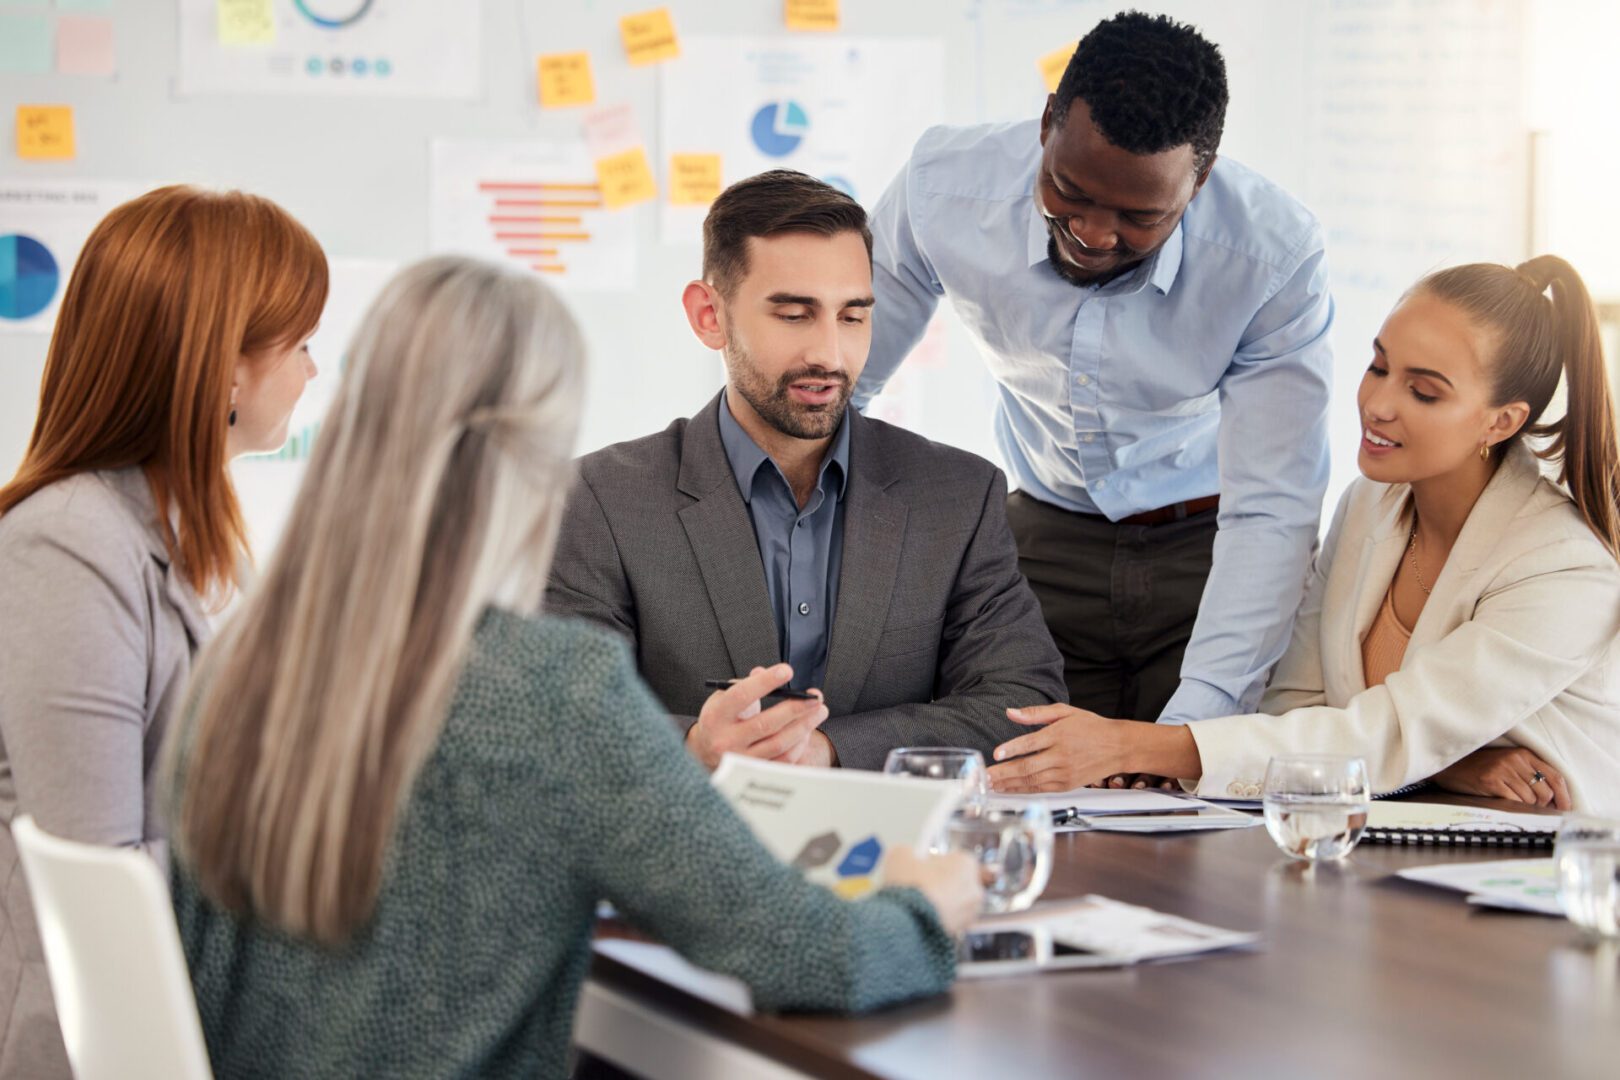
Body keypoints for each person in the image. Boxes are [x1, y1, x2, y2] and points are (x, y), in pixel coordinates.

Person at [167, 256, 983, 1080]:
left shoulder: (240, 662)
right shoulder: (547, 689)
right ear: (533, 452)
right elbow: (813, 959)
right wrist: (925, 902)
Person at [987, 256, 1620, 818]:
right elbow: (1296, 703)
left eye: (1423, 392)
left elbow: (1397, 730)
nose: (1378, 403)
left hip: (1547, 872)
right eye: (1379, 366)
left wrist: (1130, 743)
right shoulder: (1371, 503)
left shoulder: (1564, 567)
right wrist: (1449, 762)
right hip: (1395, 844)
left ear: (1501, 421)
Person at [856, 11, 1333, 739]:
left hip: (1210, 555)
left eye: (1140, 215)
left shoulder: (1272, 258)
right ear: (1048, 121)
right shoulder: (944, 190)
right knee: (1021, 778)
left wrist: (1192, 731)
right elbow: (842, 381)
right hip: (1039, 542)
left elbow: (1272, 505)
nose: (1094, 232)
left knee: (1194, 814)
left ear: (1198, 180)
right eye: (1069, 190)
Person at [545, 171, 1067, 772]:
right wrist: (693, 746)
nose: (829, 354)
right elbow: (558, 711)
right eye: (795, 315)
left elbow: (1024, 702)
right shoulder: (600, 498)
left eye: (852, 317)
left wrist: (827, 751)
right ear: (709, 315)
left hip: (895, 851)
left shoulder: (958, 496)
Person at [0, 186, 325, 1078]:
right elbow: (97, 872)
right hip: (87, 1036)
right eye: (298, 344)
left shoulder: (196, 531)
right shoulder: (65, 542)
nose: (312, 369)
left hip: (185, 1005)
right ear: (224, 367)